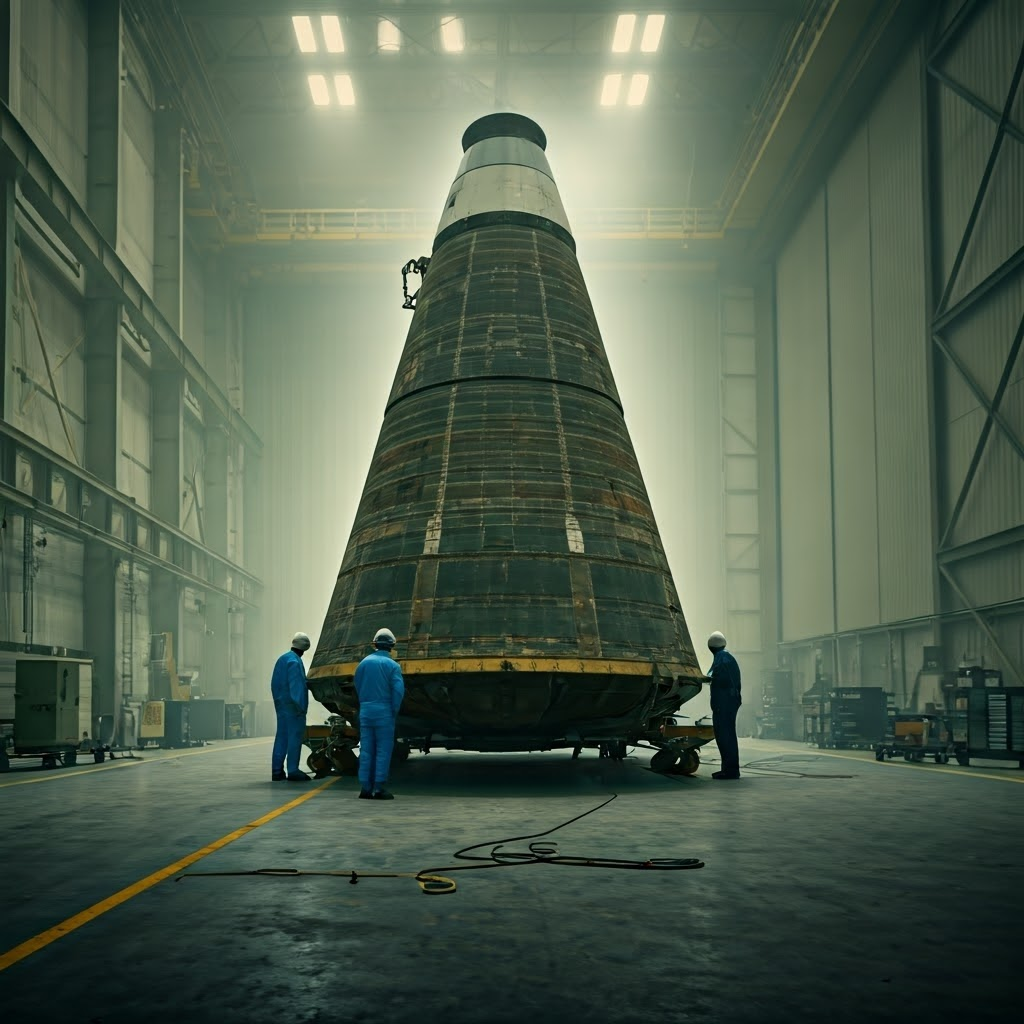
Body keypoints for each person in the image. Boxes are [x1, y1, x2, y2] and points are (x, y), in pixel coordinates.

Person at [353, 627, 405, 800]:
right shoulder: (393, 666)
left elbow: (358, 686)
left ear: (374, 644)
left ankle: (365, 788)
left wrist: (365, 704)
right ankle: (378, 787)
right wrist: (393, 711)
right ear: (392, 646)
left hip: (366, 711)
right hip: (384, 712)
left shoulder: (363, 664)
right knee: (383, 749)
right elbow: (398, 692)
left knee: (366, 749)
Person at [271, 631, 313, 782]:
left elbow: (275, 684)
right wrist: (301, 707)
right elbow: (296, 687)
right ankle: (293, 770)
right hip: (293, 708)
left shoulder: (282, 659)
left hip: (281, 705)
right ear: (304, 649)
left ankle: (277, 771)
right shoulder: (295, 662)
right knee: (295, 738)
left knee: (281, 737)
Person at [707, 631, 742, 779]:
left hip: (724, 703)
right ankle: (730, 769)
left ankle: (730, 771)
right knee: (728, 735)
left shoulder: (722, 659)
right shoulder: (727, 657)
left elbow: (719, 679)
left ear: (711, 648)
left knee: (724, 736)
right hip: (729, 702)